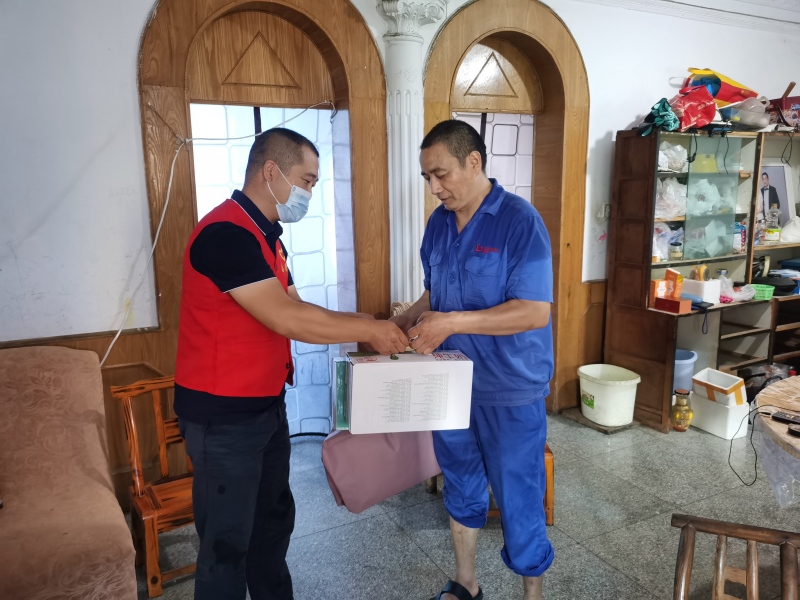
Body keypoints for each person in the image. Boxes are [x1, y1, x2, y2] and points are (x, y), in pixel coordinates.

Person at [174, 127, 408, 600]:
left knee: (272, 524)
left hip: (265, 405)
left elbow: (297, 305)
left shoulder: (269, 239)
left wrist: (367, 322)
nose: (309, 193)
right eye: (307, 180)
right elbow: (285, 317)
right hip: (222, 416)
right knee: (226, 544)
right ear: (271, 172)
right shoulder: (224, 234)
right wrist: (370, 332)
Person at [391, 120, 554, 600]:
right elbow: (434, 293)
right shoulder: (438, 224)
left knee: (519, 496)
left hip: (509, 388)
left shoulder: (520, 222)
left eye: (441, 174)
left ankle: (532, 594)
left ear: (474, 162)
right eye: (427, 177)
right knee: (460, 483)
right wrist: (402, 322)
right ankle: (466, 583)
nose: (434, 187)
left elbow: (534, 311)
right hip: (450, 384)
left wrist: (451, 322)